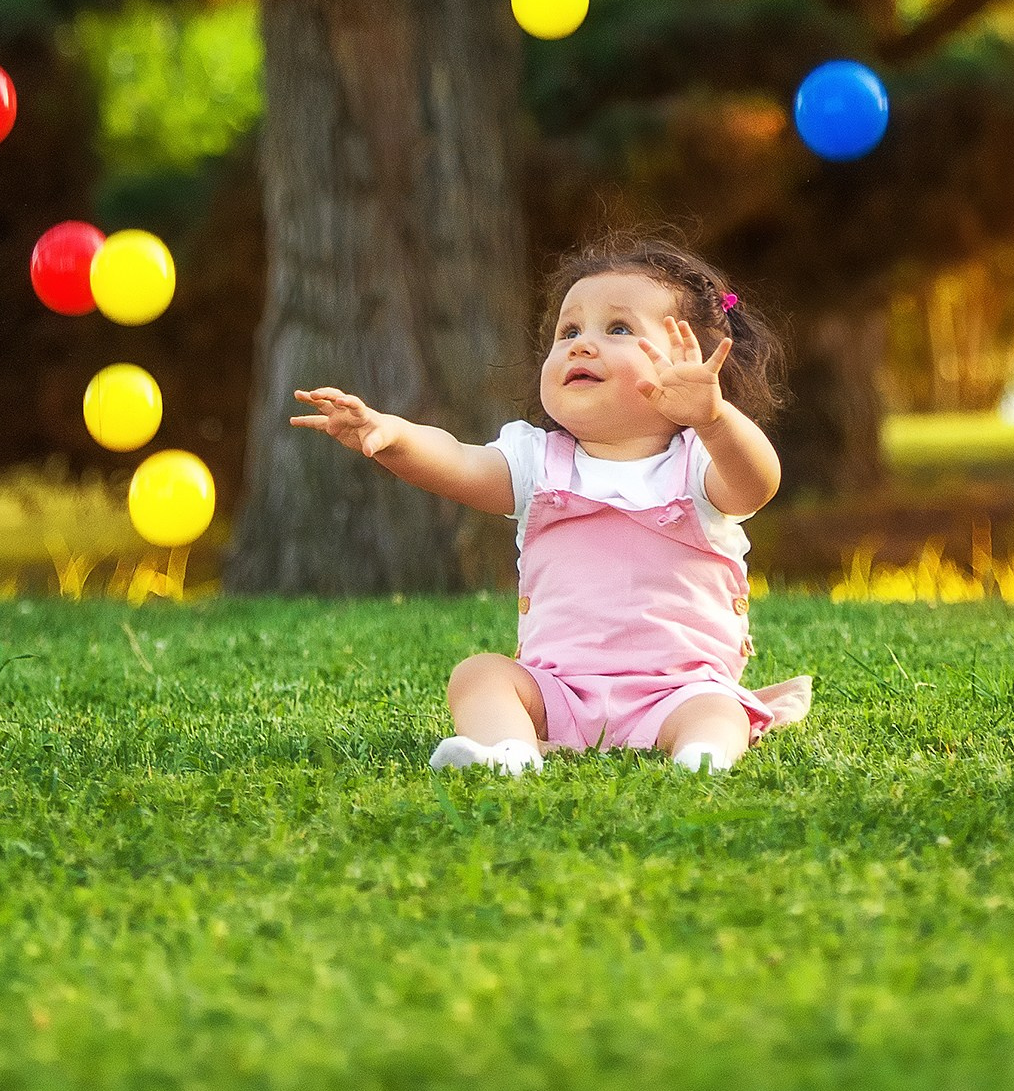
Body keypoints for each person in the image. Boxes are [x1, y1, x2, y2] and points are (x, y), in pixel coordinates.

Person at [294, 235, 812, 774]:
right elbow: (458, 461)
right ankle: (511, 753)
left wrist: (713, 418)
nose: (581, 345)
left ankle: (701, 758)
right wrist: (393, 434)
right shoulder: (536, 462)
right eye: (569, 331)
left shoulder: (699, 464)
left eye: (618, 329)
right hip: (559, 691)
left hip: (679, 691)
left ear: (691, 364)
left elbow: (758, 483)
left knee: (718, 709)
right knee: (480, 674)